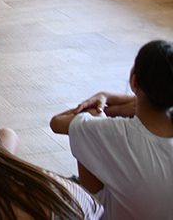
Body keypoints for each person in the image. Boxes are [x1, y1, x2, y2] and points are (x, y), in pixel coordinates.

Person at [50, 39, 173, 219]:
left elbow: (57, 122)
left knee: (88, 132)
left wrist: (101, 107)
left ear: (134, 80)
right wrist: (110, 101)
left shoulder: (115, 133)